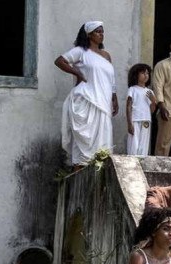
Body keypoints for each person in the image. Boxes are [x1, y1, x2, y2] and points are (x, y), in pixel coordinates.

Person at [55, 21, 117, 167]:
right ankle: (80, 168)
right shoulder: (80, 51)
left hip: (103, 100)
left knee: (102, 139)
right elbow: (60, 61)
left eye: (102, 32)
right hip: (86, 98)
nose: (101, 34)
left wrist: (114, 97)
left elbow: (111, 79)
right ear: (89, 34)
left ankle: (99, 168)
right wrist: (76, 72)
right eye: (98, 32)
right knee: (84, 141)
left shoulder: (106, 55)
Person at [125, 63, 156, 156]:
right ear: (136, 75)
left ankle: (142, 160)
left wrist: (153, 101)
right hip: (135, 119)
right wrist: (129, 123)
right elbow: (128, 106)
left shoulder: (150, 92)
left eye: (147, 73)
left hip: (146, 120)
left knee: (144, 141)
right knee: (134, 141)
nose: (146, 75)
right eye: (143, 73)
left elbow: (152, 110)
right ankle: (132, 160)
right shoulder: (132, 89)